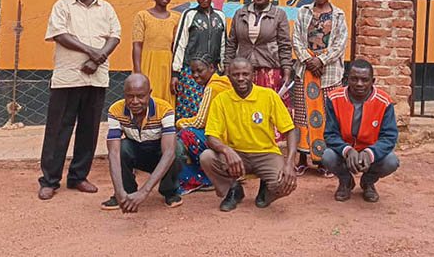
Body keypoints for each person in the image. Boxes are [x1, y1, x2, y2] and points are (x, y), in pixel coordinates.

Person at [38, 0, 121, 201]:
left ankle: (78, 177)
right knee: (58, 130)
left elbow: (115, 36)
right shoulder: (62, 5)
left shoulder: (106, 9)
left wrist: (98, 59)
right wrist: (92, 52)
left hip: (96, 78)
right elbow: (59, 34)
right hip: (67, 78)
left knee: (89, 129)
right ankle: (49, 180)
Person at [200, 58, 298, 212]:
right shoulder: (221, 100)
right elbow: (211, 136)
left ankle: (267, 191)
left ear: (253, 75)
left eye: (245, 74)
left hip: (266, 154)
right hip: (237, 156)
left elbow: (290, 130)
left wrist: (290, 162)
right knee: (207, 157)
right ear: (229, 76)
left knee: (287, 182)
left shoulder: (269, 96)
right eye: (235, 74)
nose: (240, 78)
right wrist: (227, 150)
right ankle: (233, 190)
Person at [101, 73, 184, 211]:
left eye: (140, 96)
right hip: (137, 152)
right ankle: (126, 194)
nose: (134, 101)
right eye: (129, 96)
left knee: (176, 149)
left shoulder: (164, 109)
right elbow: (114, 153)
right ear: (124, 94)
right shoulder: (115, 110)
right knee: (122, 148)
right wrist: (119, 191)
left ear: (149, 93)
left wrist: (144, 192)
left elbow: (168, 153)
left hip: (159, 155)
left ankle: (170, 191)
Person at [292, 0, 348, 175]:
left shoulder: (339, 15)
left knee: (327, 115)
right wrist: (309, 60)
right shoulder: (303, 11)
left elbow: (340, 44)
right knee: (303, 115)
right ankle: (302, 158)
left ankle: (325, 160)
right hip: (304, 71)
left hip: (329, 73)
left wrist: (321, 61)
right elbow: (296, 39)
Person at [322, 60, 399, 203]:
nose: (359, 84)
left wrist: (370, 153)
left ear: (372, 81)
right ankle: (346, 182)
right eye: (354, 79)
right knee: (327, 156)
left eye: (364, 80)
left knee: (391, 161)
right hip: (344, 151)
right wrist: (347, 150)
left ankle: (368, 182)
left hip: (371, 152)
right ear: (347, 79)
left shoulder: (384, 101)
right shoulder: (334, 98)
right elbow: (330, 134)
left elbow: (389, 137)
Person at [225, 0, 292, 124]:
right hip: (243, 71)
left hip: (269, 71)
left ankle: (271, 142)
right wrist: (227, 68)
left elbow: (285, 45)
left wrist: (286, 70)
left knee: (267, 109)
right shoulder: (240, 13)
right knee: (244, 108)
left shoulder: (278, 14)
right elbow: (231, 43)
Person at [171, 0, 227, 122]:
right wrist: (175, 73)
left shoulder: (220, 16)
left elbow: (223, 44)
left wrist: (223, 69)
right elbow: (180, 42)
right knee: (190, 108)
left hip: (213, 71)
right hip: (191, 71)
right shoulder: (189, 15)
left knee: (211, 109)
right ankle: (185, 140)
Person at [175, 54, 232, 194]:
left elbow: (200, 122)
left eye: (199, 71)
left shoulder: (212, 88)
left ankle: (201, 178)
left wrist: (179, 123)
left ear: (212, 68)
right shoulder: (225, 83)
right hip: (232, 137)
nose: (195, 75)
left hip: (223, 139)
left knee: (185, 135)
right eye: (193, 72)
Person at [132, 0, 180, 107]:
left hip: (166, 65)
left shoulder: (176, 18)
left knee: (165, 102)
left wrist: (175, 73)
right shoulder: (142, 16)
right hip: (147, 63)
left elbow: (175, 47)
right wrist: (138, 73)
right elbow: (137, 45)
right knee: (146, 98)